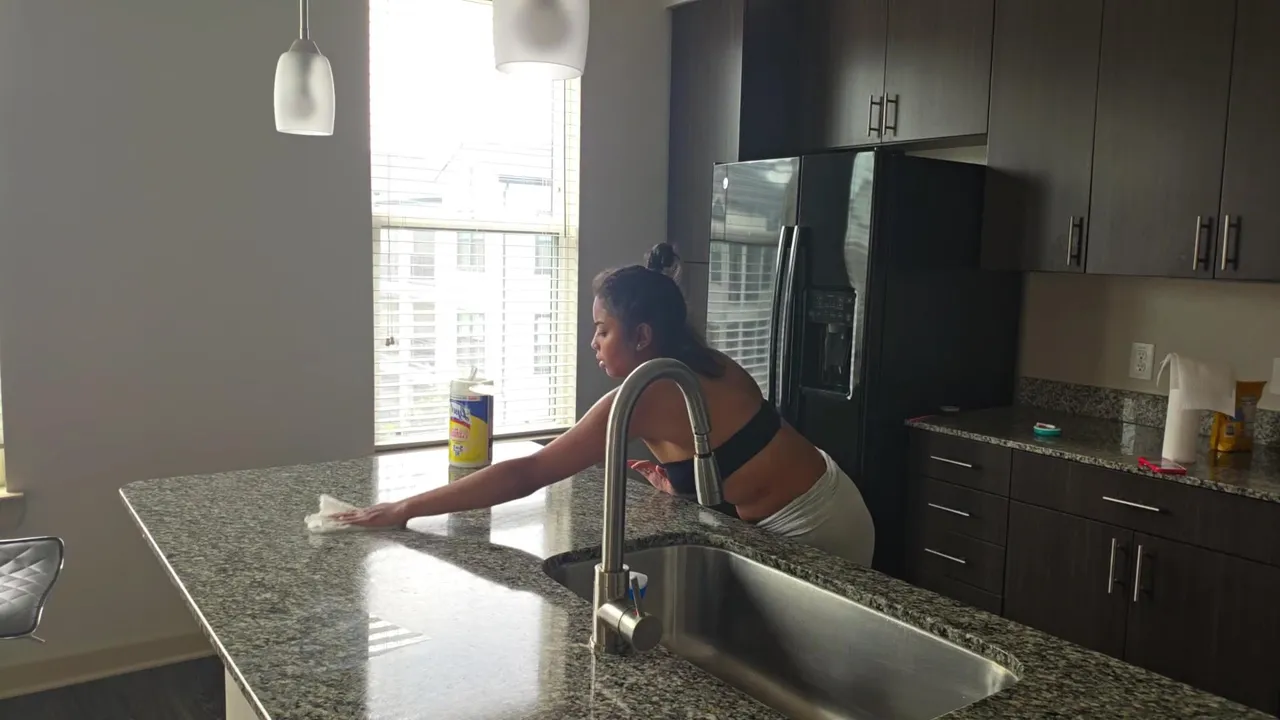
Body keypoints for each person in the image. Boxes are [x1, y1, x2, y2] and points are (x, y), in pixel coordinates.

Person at [336, 243, 876, 565]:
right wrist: (682, 483)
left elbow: (529, 473)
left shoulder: (647, 394)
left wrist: (403, 509)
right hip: (829, 493)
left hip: (815, 527)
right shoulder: (705, 363)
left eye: (602, 329)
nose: (593, 342)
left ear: (641, 336)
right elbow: (736, 456)